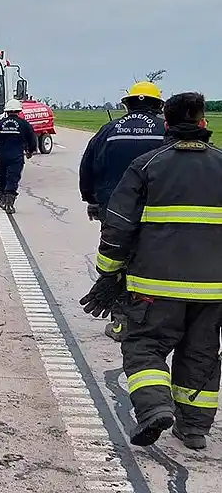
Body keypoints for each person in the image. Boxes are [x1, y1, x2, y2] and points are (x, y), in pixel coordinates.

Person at [80, 92, 222, 450]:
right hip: (213, 289)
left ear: (168, 126)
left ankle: (154, 406)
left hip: (153, 286)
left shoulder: (146, 166)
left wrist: (107, 274)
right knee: (201, 354)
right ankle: (193, 429)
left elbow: (119, 227)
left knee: (143, 345)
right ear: (204, 124)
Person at [79, 81, 166, 342]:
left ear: (127, 105)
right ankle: (155, 318)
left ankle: (121, 320)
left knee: (116, 261)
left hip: (114, 210)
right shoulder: (166, 131)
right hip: (157, 211)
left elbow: (88, 167)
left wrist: (91, 200)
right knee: (151, 263)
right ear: (159, 105)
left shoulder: (108, 130)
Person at [0, 98, 37, 213]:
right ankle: (9, 203)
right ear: (19, 111)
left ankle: (3, 199)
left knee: (1, 178)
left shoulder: (0, 124)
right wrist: (30, 151)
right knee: (13, 178)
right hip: (16, 157)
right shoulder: (24, 124)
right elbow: (32, 139)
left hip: (2, 157)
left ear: (7, 111)